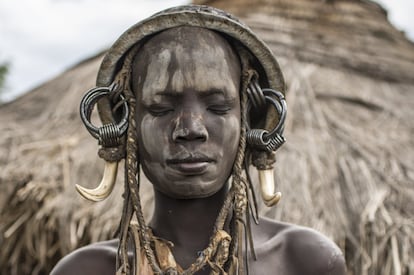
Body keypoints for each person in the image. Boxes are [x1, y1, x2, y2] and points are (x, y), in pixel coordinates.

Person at [51, 5, 346, 275]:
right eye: (161, 109)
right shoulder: (86, 270)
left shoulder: (304, 260)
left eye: (218, 107)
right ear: (126, 125)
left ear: (249, 121)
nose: (191, 128)